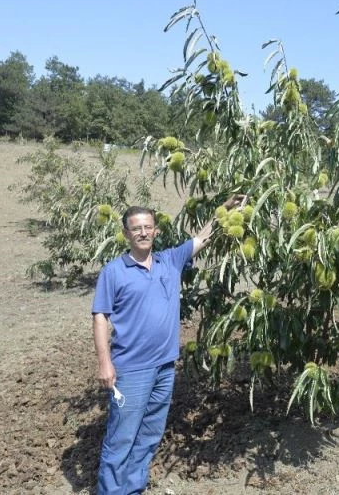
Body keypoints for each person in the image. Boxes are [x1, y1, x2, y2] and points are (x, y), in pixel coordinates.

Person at [92, 197, 241, 494]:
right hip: (131, 370)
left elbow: (201, 238)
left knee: (149, 434)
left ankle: (132, 489)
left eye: (148, 227)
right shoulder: (114, 271)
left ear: (156, 231)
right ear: (126, 234)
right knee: (122, 437)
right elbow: (100, 317)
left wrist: (224, 211)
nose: (143, 233)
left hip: (164, 367)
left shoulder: (170, 260)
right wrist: (104, 363)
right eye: (136, 228)